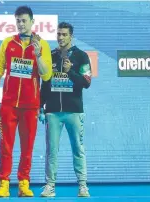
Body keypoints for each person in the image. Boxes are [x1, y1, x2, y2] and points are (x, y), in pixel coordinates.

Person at [0, 5, 52, 197]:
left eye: (24, 20)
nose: (21, 24)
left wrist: (38, 54)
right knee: (5, 146)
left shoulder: (43, 45)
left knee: (27, 147)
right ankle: (4, 183)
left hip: (31, 105)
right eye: (18, 21)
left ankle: (24, 184)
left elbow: (46, 74)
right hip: (8, 105)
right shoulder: (7, 43)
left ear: (32, 22)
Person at [40, 22, 91, 197]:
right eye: (58, 34)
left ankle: (83, 186)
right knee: (51, 150)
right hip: (53, 112)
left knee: (78, 148)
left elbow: (86, 83)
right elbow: (45, 84)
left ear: (71, 36)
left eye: (64, 35)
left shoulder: (81, 56)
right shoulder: (51, 56)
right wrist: (41, 106)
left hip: (74, 111)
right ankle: (50, 186)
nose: (60, 38)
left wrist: (70, 72)